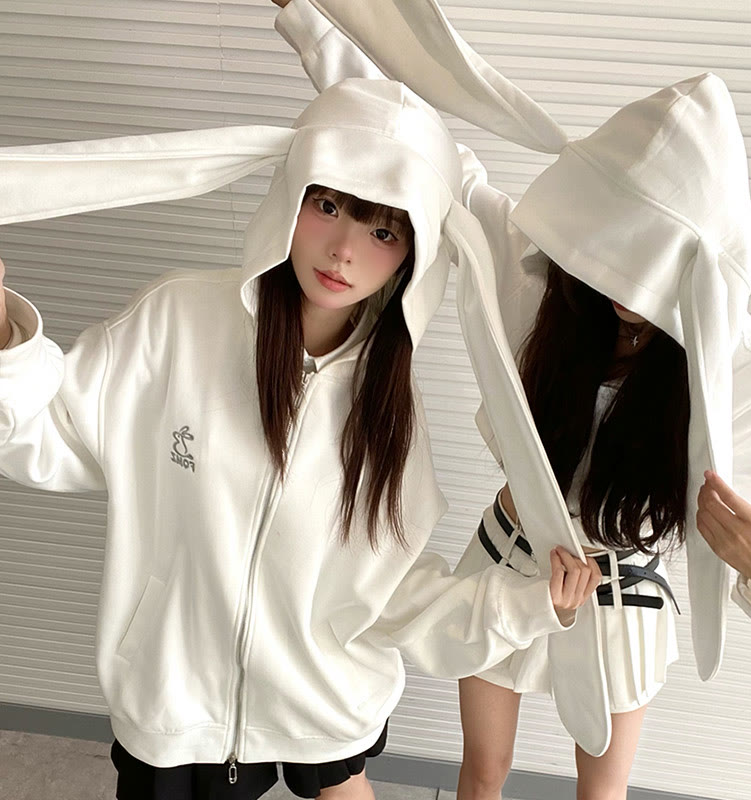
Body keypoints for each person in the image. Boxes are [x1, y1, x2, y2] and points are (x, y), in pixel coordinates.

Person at [0, 77, 601, 800]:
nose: (344, 250)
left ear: (412, 255)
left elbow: (392, 591)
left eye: (383, 231)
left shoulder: (388, 405)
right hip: (177, 702)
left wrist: (530, 606)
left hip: (323, 695)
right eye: (329, 206)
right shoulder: (176, 321)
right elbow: (47, 436)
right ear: (293, 194)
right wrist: (5, 339)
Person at [272, 2, 751, 797]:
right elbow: (423, 153)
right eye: (615, 247)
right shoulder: (543, 285)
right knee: (483, 775)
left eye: (651, 264)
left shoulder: (743, 387)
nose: (625, 286)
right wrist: (311, 22)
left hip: (623, 593)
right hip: (507, 563)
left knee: (600, 793)